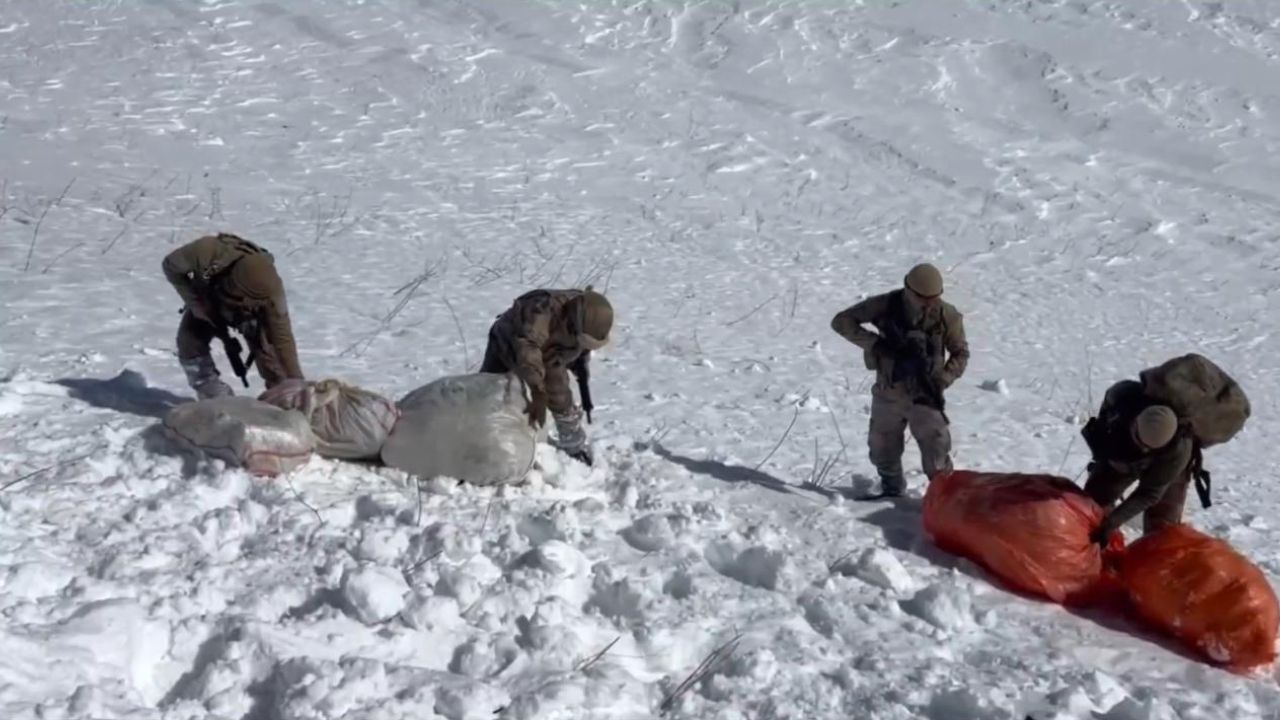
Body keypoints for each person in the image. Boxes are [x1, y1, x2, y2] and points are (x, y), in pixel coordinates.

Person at [830, 263, 969, 499]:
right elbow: (842, 321)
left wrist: (942, 380)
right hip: (889, 390)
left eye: (934, 298)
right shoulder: (885, 306)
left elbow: (960, 353)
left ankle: (945, 499)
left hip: (925, 394)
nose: (929, 303)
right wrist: (876, 345)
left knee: (936, 450)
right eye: (923, 297)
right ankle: (891, 491)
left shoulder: (947, 315)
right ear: (908, 289)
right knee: (882, 447)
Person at [1082, 354, 1249, 542]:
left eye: (1149, 448)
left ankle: (1153, 565)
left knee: (1162, 531)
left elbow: (1149, 493)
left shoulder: (1179, 450)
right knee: (1093, 503)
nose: (1143, 450)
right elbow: (1106, 420)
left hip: (1169, 463)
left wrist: (1113, 522)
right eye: (1140, 441)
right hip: (1123, 446)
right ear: (1135, 422)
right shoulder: (1123, 397)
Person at [480, 287, 613, 466]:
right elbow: (528, 349)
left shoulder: (587, 315)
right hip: (508, 341)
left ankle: (572, 445)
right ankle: (479, 438)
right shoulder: (542, 312)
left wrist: (580, 367)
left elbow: (580, 345)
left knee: (558, 392)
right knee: (488, 392)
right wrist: (537, 389)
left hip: (552, 349)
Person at [162, 233, 303, 399]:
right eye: (241, 298)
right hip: (208, 300)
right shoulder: (206, 251)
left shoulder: (272, 294)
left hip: (249, 316)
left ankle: (283, 398)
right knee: (189, 342)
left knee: (269, 351)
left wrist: (295, 379)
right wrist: (195, 304)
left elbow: (282, 336)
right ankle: (212, 392)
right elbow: (170, 265)